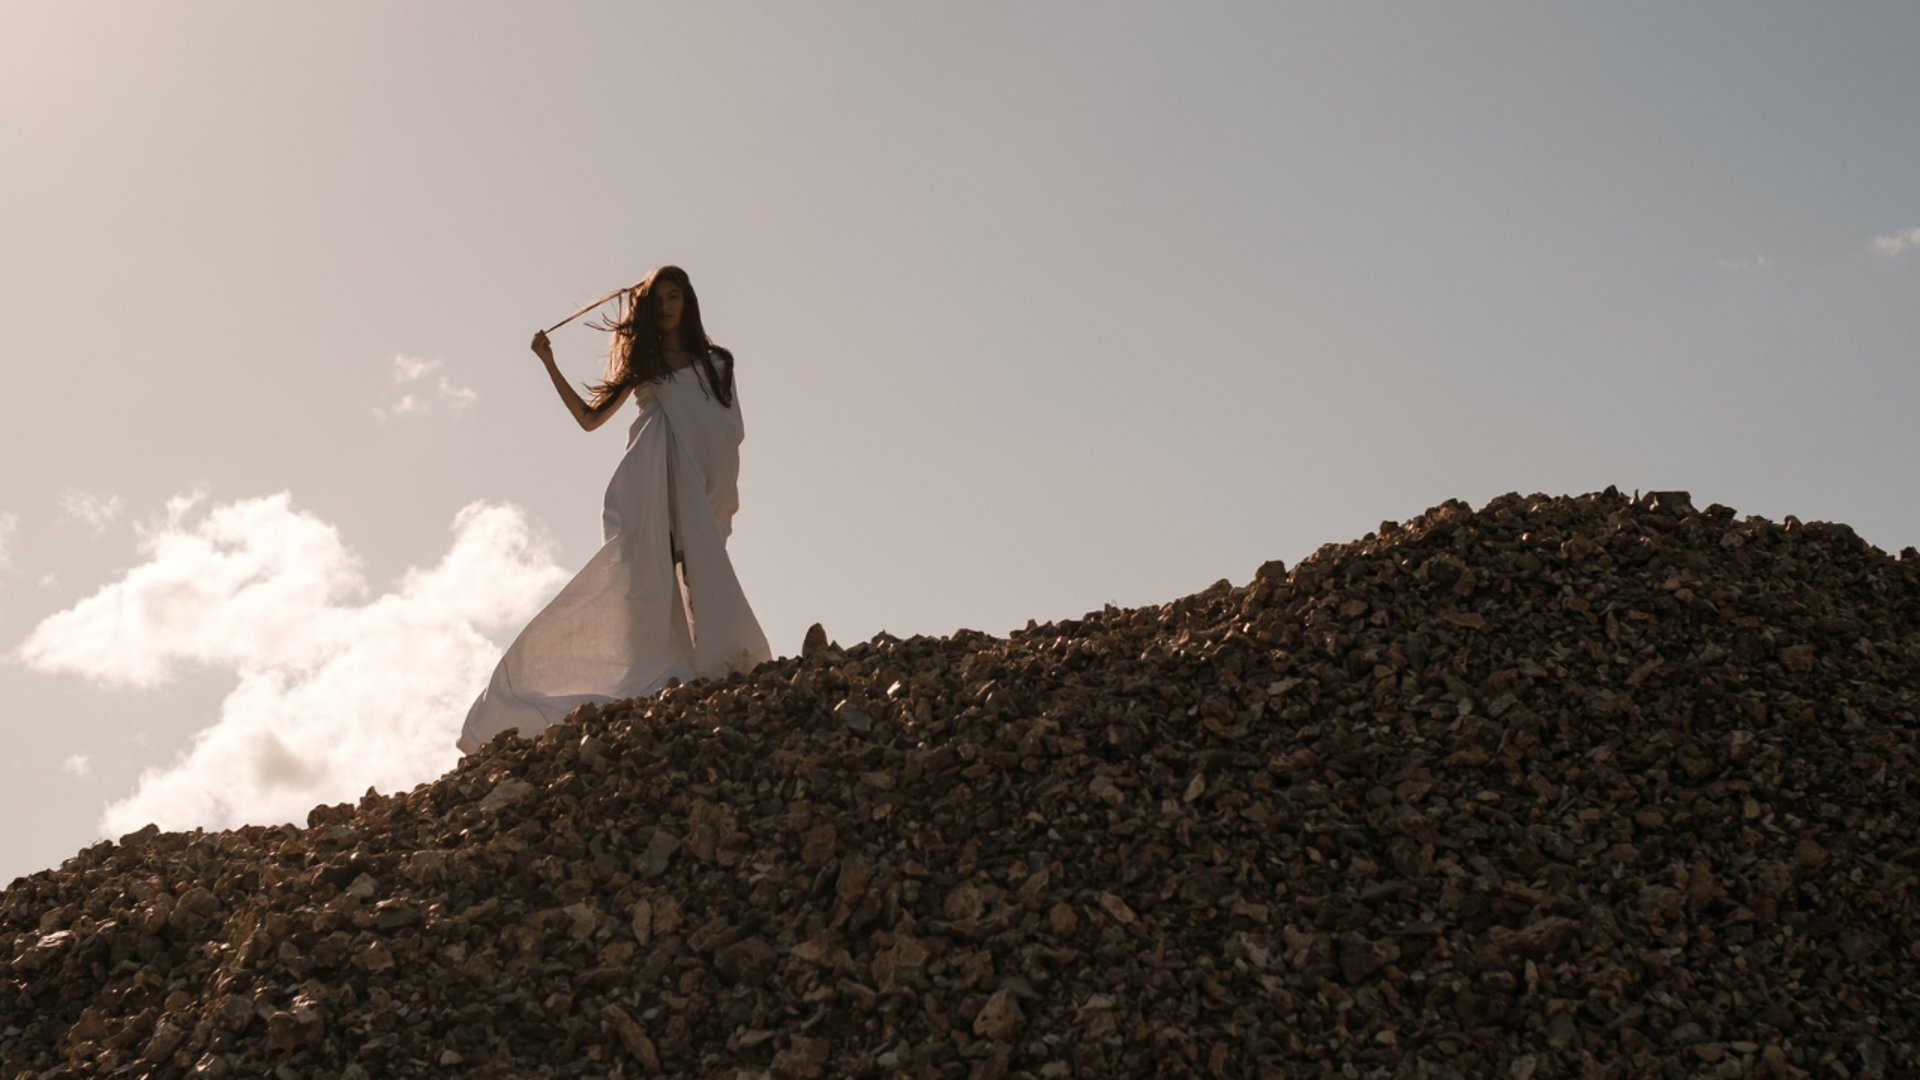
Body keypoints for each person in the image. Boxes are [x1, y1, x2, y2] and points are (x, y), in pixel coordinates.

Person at [458, 265, 772, 753]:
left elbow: (726, 427)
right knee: (640, 580)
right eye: (660, 299)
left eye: (675, 296)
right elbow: (589, 420)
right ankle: (550, 684)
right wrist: (548, 363)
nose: (668, 305)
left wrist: (710, 479)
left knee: (700, 568)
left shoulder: (717, 363)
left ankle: (711, 663)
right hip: (648, 481)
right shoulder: (645, 364)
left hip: (699, 481)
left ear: (688, 302)